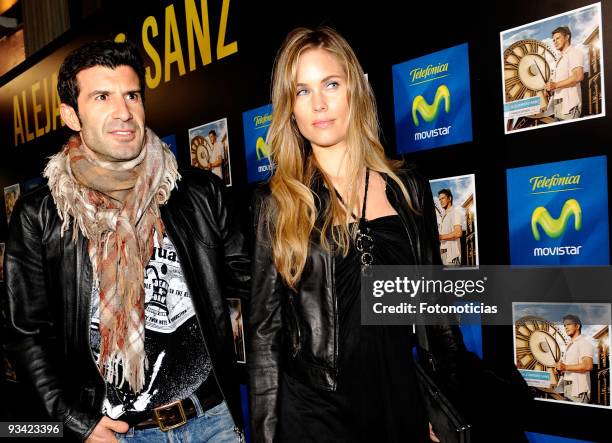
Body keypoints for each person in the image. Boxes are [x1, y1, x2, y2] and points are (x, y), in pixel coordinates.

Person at [3, 40, 249, 443]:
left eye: (131, 95)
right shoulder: (41, 214)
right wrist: (74, 422)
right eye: (102, 97)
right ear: (71, 115)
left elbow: (257, 287)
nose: (123, 112)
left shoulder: (197, 193)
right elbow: (24, 333)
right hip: (119, 434)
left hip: (212, 421)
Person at [247, 26, 469, 443]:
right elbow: (264, 335)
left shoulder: (406, 188)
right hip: (315, 415)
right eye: (302, 91)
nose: (320, 103)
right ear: (289, 109)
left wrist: (447, 404)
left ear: (355, 89)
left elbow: (437, 312)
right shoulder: (276, 202)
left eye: (331, 84)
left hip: (399, 401)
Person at [545, 26, 584, 121]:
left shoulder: (574, 52)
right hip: (558, 106)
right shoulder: (560, 59)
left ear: (567, 37)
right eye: (553, 40)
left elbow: (578, 76)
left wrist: (555, 85)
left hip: (570, 107)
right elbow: (557, 83)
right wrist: (549, 88)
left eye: (558, 38)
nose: (555, 42)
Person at [556, 314, 594, 403]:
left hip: (578, 393)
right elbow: (568, 367)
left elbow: (588, 366)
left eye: (569, 324)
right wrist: (560, 369)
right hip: (567, 389)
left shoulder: (583, 343)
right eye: (564, 325)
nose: (566, 327)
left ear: (577, 326)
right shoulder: (569, 346)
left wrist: (565, 367)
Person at [437, 188, 463, 266]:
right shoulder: (444, 216)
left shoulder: (455, 212)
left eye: (443, 198)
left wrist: (440, 237)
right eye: (439, 199)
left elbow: (458, 233)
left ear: (449, 198)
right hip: (442, 255)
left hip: (451, 256)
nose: (440, 201)